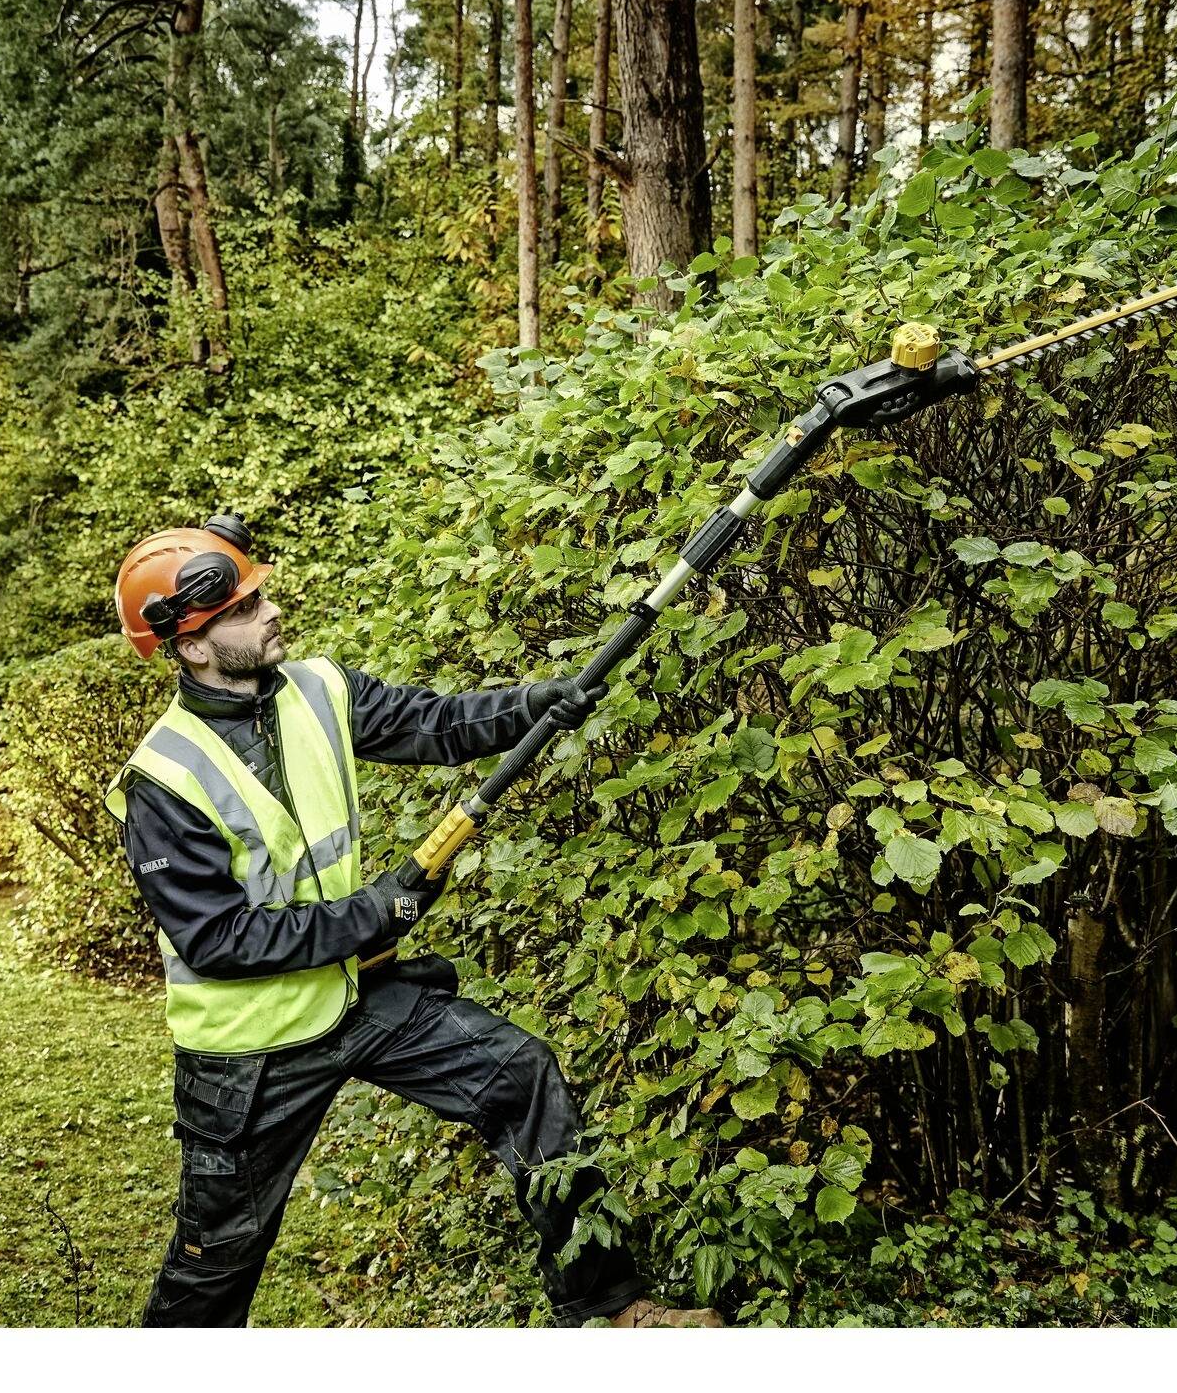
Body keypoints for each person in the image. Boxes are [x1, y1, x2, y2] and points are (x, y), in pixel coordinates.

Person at [107, 512, 722, 1329]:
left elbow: (433, 724)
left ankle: (605, 1305)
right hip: (249, 1056)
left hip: (358, 997)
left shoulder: (317, 690)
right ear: (192, 645)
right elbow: (218, 942)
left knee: (521, 1075)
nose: (273, 611)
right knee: (216, 1260)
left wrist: (542, 703)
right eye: (248, 609)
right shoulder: (164, 777)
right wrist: (374, 912)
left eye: (263, 595)